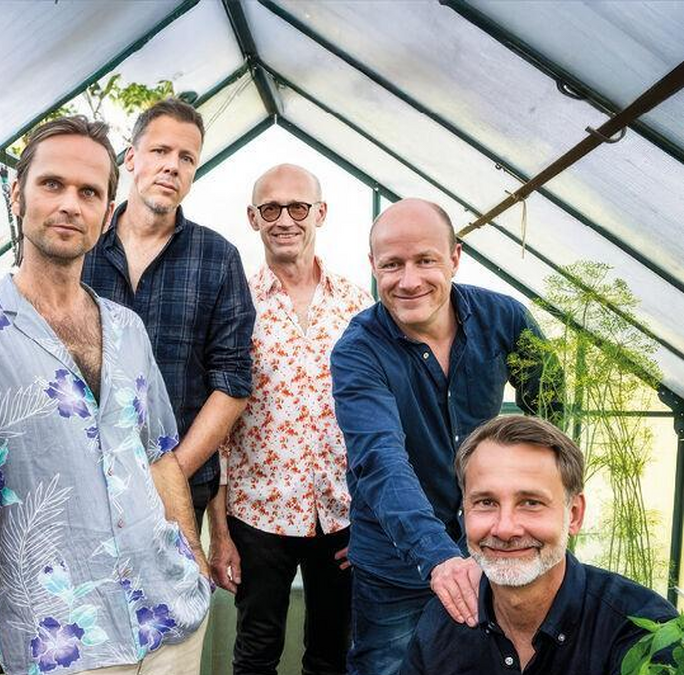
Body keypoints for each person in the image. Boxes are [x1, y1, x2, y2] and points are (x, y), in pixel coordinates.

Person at [0, 116, 211, 675]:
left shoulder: (127, 328)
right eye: (52, 184)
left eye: (88, 192)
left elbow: (159, 456)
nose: (69, 204)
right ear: (17, 196)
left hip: (170, 619)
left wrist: (195, 561)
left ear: (107, 214)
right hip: (64, 644)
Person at [329, 198, 560, 675]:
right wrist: (436, 556)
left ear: (455, 257)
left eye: (425, 260)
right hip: (396, 568)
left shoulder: (504, 320)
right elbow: (380, 459)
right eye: (392, 265)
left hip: (494, 550)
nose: (409, 280)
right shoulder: (358, 350)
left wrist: (529, 500)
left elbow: (550, 410)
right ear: (372, 266)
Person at [209, 165, 370, 675]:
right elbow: (216, 427)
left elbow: (378, 416)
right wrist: (220, 533)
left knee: (333, 654)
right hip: (258, 514)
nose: (284, 220)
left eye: (298, 207)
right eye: (271, 208)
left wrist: (371, 520)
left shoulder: (358, 305)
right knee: (256, 653)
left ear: (320, 213)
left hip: (342, 514)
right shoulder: (234, 304)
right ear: (252, 218)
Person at [81, 98, 255, 528]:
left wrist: (171, 474)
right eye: (160, 151)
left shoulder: (218, 258)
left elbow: (232, 382)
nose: (172, 166)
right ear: (131, 158)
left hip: (179, 488)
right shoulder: (81, 248)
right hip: (83, 481)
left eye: (186, 158)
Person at [405, 414, 678, 673]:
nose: (505, 529)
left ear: (574, 514)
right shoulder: (445, 622)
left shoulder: (642, 633)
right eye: (486, 502)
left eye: (530, 503)